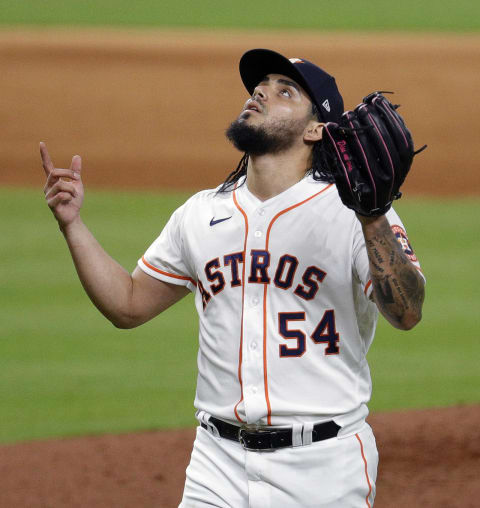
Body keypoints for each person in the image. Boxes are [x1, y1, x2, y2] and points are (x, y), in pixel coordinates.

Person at [41, 48, 425, 507]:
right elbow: (127, 304)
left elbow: (406, 312)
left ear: (316, 128)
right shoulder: (201, 213)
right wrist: (72, 224)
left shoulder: (353, 211)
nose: (261, 94)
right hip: (216, 464)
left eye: (285, 91)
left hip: (324, 467)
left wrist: (373, 215)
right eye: (259, 87)